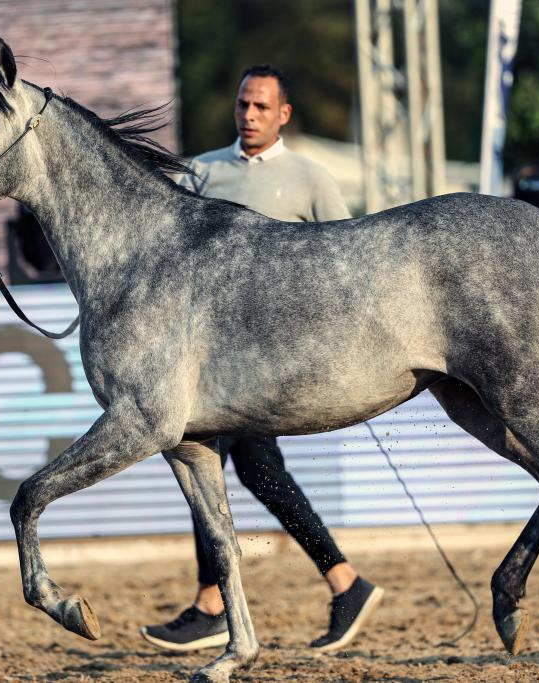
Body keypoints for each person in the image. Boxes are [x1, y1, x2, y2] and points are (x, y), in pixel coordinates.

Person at [140, 64, 384, 654]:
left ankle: (213, 604)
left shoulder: (311, 177)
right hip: (207, 359)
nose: (248, 115)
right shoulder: (200, 172)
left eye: (260, 107)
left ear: (283, 115)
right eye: (242, 104)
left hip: (270, 362)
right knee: (254, 471)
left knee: (207, 464)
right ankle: (343, 581)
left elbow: (349, 265)